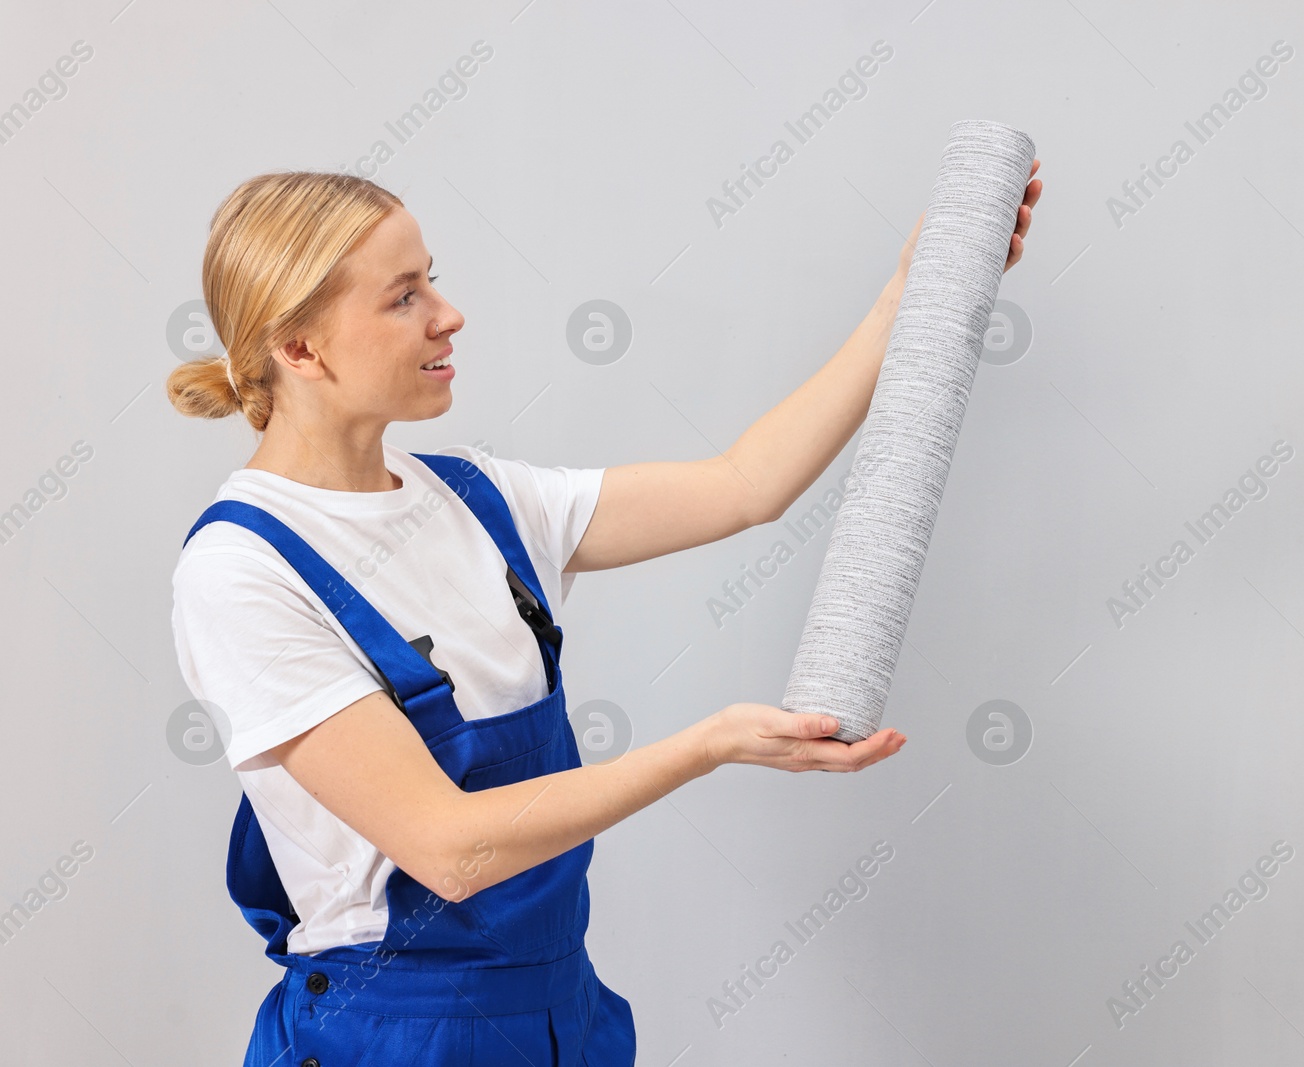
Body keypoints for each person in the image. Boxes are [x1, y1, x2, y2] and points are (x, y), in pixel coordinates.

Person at [166, 165, 1041, 1066]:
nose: (448, 313)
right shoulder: (243, 572)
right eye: (404, 296)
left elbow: (746, 486)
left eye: (433, 276)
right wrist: (708, 746)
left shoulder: (477, 498)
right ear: (300, 349)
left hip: (560, 1015)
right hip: (396, 1033)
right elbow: (451, 848)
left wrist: (910, 291)